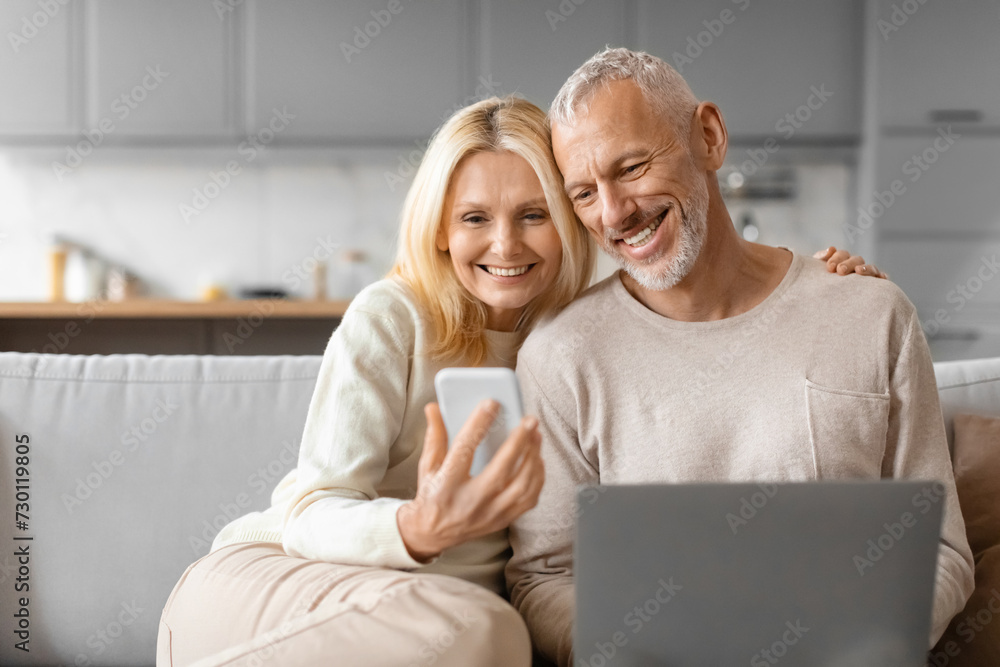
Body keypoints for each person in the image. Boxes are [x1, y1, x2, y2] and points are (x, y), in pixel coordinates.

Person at [156, 96, 879, 667]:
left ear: (573, 220)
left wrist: (819, 291)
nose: (505, 245)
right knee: (484, 633)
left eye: (534, 214)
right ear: (440, 228)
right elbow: (311, 508)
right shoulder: (394, 317)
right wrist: (415, 527)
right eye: (475, 217)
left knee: (482, 632)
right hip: (283, 585)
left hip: (439, 629)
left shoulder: (583, 338)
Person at [505, 47, 975, 667]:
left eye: (633, 167)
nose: (615, 212)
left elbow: (943, 551)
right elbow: (543, 578)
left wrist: (865, 641)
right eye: (584, 193)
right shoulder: (559, 358)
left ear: (708, 137)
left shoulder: (870, 315)